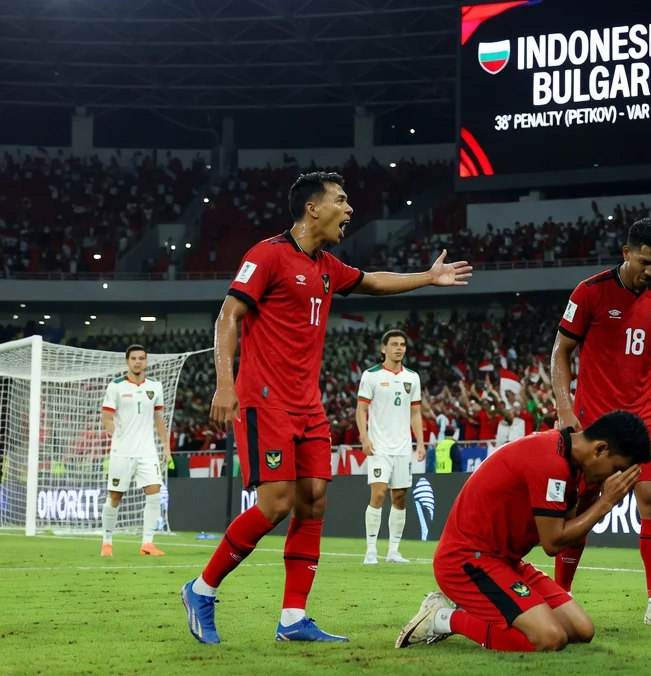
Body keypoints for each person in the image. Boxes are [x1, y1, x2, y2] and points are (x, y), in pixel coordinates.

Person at [181, 171, 473, 645]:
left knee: (313, 502)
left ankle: (293, 618)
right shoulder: (267, 254)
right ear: (312, 208)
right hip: (265, 401)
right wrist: (224, 384)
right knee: (276, 503)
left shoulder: (326, 266)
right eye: (341, 200)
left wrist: (428, 277)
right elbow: (228, 315)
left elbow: (374, 282)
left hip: (309, 406)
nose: (350, 209)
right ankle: (201, 589)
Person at [395, 412, 651, 652]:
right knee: (550, 638)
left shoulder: (570, 460)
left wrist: (593, 499)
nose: (616, 478)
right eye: (617, 469)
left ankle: (491, 609)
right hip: (466, 560)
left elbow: (569, 525)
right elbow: (553, 543)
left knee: (581, 630)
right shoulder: (550, 462)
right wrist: (605, 503)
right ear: (600, 449)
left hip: (504, 562)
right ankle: (443, 618)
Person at [551, 217, 651, 627]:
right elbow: (560, 352)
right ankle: (560, 597)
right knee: (580, 504)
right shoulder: (590, 291)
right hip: (593, 422)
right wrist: (566, 412)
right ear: (627, 253)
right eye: (646, 262)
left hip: (643, 418)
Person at [357, 329, 426, 565]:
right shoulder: (371, 375)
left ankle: (393, 552)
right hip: (379, 447)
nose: (399, 348)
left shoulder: (412, 378)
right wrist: (364, 438)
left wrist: (420, 442)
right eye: (394, 344)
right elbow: (361, 410)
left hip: (403, 448)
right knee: (378, 494)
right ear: (383, 349)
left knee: (399, 498)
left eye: (403, 345)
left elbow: (416, 412)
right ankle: (371, 551)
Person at [99, 344, 170, 557]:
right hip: (122, 451)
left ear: (146, 361)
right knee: (115, 496)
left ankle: (147, 543)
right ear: (127, 362)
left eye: (142, 358)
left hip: (147, 451)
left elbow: (158, 418)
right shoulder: (116, 386)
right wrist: (113, 430)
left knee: (155, 492)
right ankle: (107, 541)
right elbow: (107, 417)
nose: (138, 362)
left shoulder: (155, 386)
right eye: (134, 358)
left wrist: (166, 445)